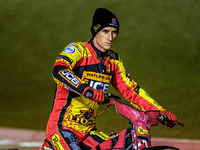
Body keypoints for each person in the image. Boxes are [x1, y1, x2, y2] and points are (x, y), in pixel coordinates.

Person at [40, 8, 177, 150]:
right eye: (105, 31)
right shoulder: (78, 50)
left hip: (87, 131)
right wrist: (86, 89)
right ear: (95, 31)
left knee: (122, 147)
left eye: (114, 32)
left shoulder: (113, 61)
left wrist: (160, 112)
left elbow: (131, 91)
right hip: (62, 127)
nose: (110, 37)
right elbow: (59, 69)